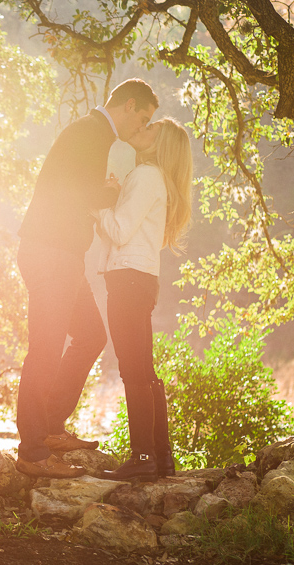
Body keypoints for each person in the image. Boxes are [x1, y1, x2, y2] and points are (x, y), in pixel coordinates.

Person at [15, 79, 159, 479]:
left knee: (91, 335)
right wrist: (112, 193)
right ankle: (33, 452)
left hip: (62, 254)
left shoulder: (95, 135)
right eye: (143, 118)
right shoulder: (91, 133)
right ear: (130, 106)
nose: (141, 127)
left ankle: (50, 428)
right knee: (45, 347)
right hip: (49, 252)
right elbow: (78, 194)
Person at [94, 117, 193, 482]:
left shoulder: (147, 175)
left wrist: (98, 201)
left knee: (134, 372)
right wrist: (115, 195)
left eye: (149, 128)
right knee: (145, 372)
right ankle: (161, 457)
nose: (140, 128)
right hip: (141, 278)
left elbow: (119, 229)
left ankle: (143, 457)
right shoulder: (152, 178)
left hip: (128, 279)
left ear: (159, 144)